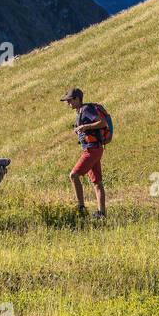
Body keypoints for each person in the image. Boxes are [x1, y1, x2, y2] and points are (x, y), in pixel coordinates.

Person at [61, 87, 106, 218]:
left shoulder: (86, 109)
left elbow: (102, 122)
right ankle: (101, 214)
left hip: (92, 150)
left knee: (73, 175)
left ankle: (81, 208)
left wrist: (85, 126)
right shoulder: (80, 112)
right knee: (97, 182)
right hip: (93, 148)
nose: (68, 103)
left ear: (77, 99)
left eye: (70, 100)